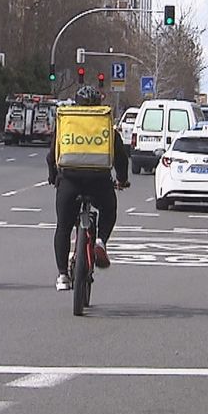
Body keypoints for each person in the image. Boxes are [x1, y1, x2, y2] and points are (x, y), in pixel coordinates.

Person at [47, 85, 130, 291]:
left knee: (63, 227)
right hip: (99, 180)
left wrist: (53, 176)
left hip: (70, 181)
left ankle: (63, 276)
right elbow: (120, 158)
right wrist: (122, 179)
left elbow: (52, 156)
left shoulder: (66, 125)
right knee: (109, 209)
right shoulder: (106, 126)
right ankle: (101, 241)